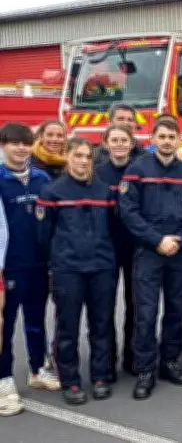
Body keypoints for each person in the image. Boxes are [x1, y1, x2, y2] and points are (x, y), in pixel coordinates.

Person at [119, 119, 182, 400]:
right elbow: (128, 211)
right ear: (153, 138)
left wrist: (180, 240)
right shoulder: (137, 170)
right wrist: (157, 240)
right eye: (162, 136)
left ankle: (169, 361)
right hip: (148, 251)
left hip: (181, 251)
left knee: (176, 310)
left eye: (172, 136)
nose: (167, 141)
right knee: (145, 314)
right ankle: (145, 370)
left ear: (180, 139)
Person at [37, 137, 117, 405]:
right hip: (68, 269)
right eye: (78, 156)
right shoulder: (52, 192)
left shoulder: (104, 191)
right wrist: (56, 261)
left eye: (88, 157)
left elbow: (114, 228)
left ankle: (101, 377)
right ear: (68, 157)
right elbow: (43, 235)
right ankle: (70, 380)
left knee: (102, 324)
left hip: (102, 267)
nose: (83, 161)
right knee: (67, 326)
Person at [0, 122, 60, 417]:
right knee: (5, 325)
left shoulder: (41, 178)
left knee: (36, 320)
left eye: (25, 143)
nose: (21, 149)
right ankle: (4, 380)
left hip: (38, 264)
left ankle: (37, 369)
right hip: (9, 266)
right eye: (14, 143)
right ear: (3, 146)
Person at [94, 125, 138, 377]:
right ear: (105, 143)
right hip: (105, 248)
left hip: (135, 246)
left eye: (124, 140)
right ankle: (106, 362)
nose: (119, 144)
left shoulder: (139, 171)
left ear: (131, 144)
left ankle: (132, 357)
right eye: (115, 140)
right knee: (104, 307)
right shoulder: (97, 173)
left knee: (135, 305)